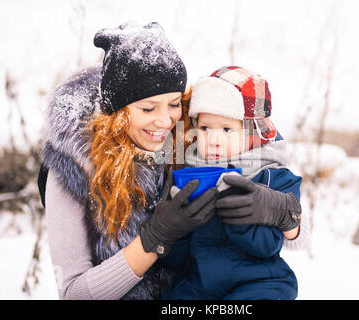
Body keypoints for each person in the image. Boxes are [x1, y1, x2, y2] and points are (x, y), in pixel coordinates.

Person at [38, 21, 304, 300]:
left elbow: (283, 210)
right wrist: (153, 240)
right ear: (116, 113)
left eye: (174, 104)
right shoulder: (72, 167)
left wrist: (285, 213)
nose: (165, 121)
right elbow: (73, 295)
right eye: (148, 108)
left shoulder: (192, 135)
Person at [160, 66, 310, 300]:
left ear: (252, 133)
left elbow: (268, 246)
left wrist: (241, 216)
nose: (213, 140)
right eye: (206, 127)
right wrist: (172, 227)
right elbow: (174, 259)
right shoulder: (187, 173)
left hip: (259, 283)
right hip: (198, 285)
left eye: (227, 129)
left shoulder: (272, 175)